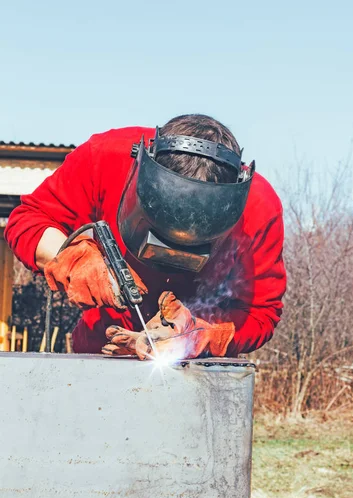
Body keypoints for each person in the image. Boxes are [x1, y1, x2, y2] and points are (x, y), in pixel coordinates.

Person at [5, 114, 286, 359]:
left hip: (194, 371)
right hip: (100, 354)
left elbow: (260, 312)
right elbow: (28, 220)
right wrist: (73, 259)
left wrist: (200, 335)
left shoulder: (257, 209)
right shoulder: (104, 157)